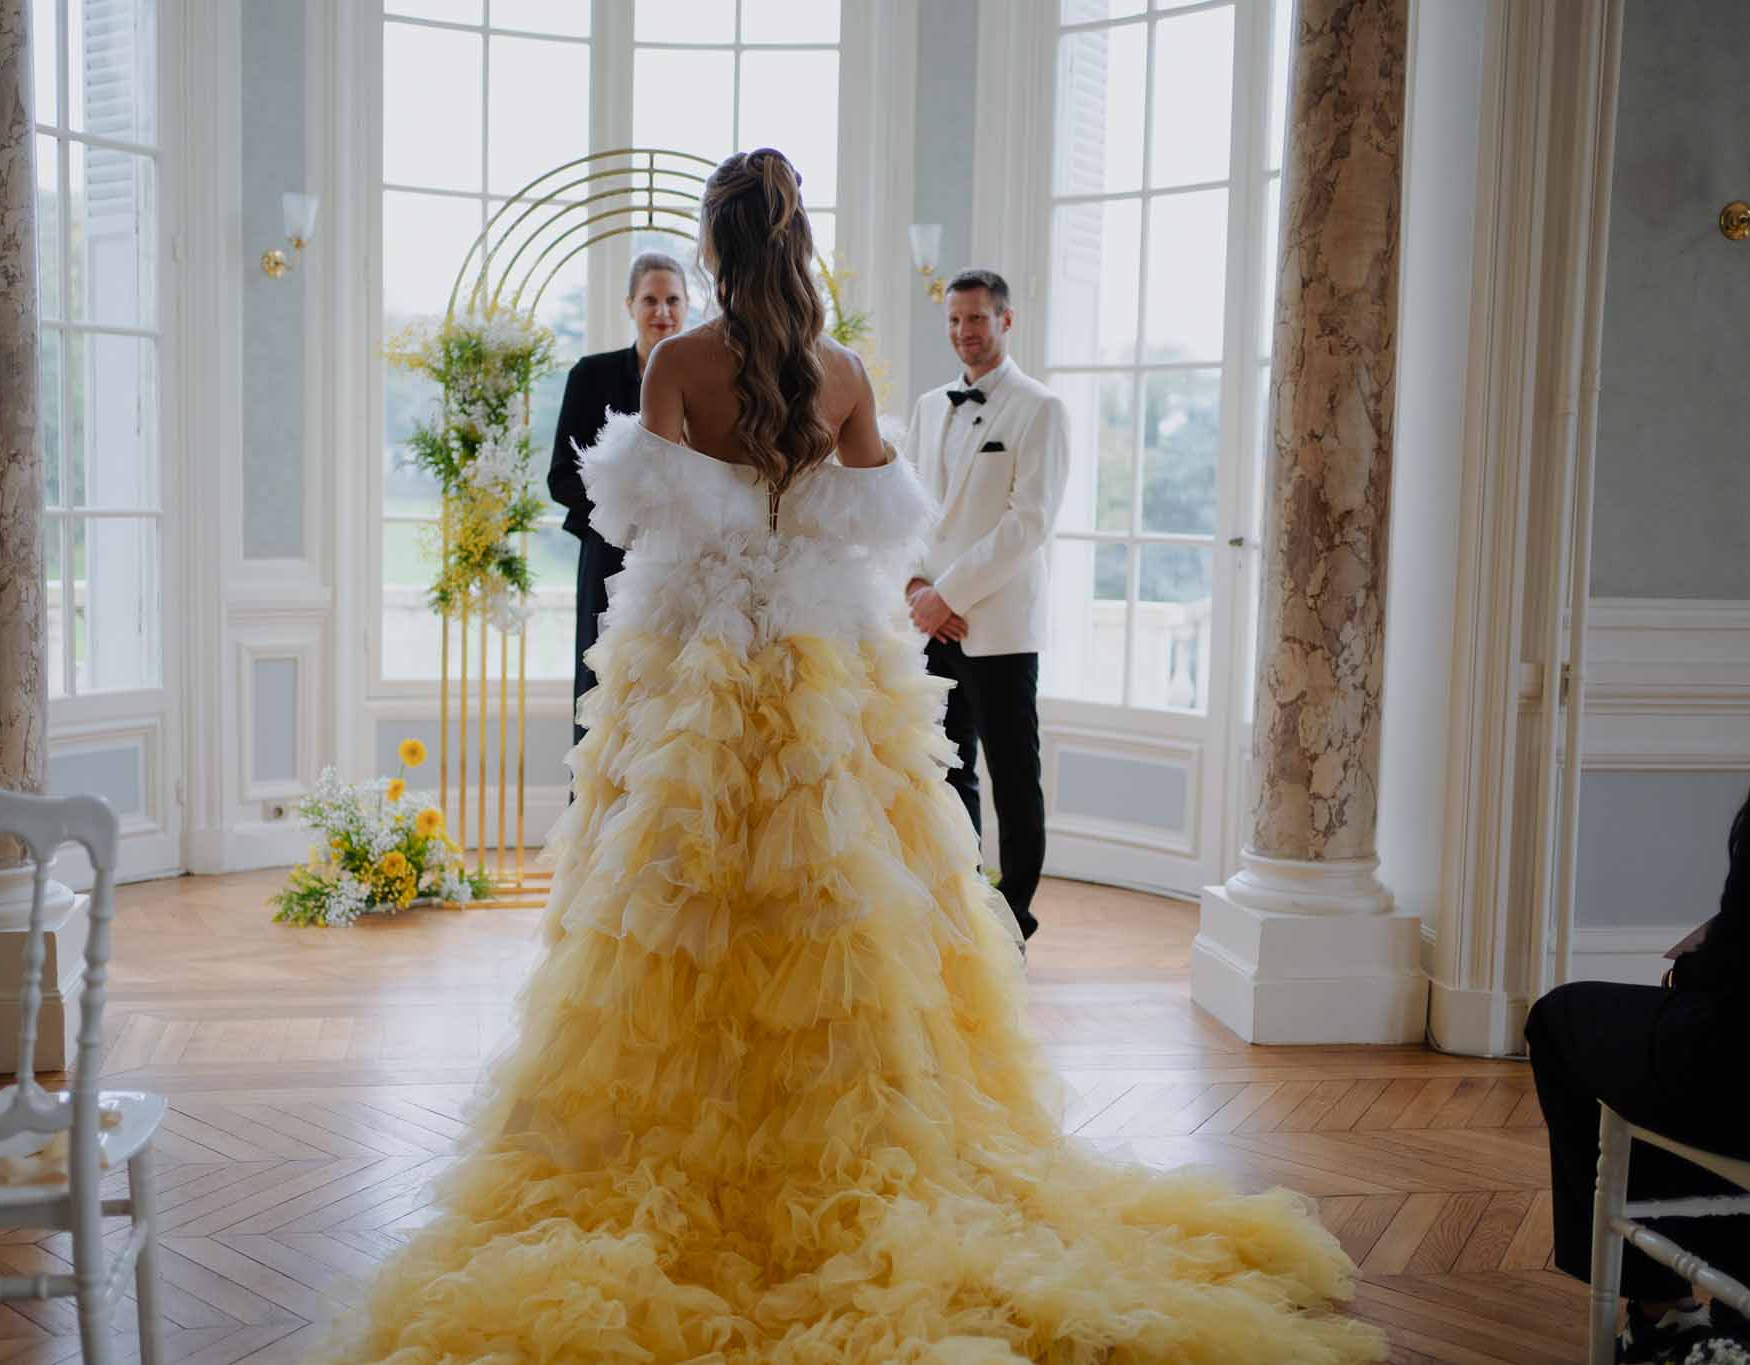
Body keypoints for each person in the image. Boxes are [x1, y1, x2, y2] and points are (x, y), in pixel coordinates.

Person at [329, 149, 1381, 1363]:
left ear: (716, 250)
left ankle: (681, 1137)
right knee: (844, 898)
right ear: (798, 242)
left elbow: (636, 522)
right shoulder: (841, 372)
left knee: (672, 902)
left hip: (697, 668)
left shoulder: (673, 363)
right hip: (824, 672)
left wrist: (728, 524)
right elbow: (881, 518)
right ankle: (865, 1131)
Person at [1527, 459, 1750, 1363]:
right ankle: (1748, 1306)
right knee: (1728, 1032)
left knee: (1568, 1023)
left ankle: (1668, 1309)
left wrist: (1698, 963)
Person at [899, 270, 1068, 942]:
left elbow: (1028, 523)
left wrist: (950, 594)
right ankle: (962, 903)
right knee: (947, 771)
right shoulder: (926, 406)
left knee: (1012, 778)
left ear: (1006, 320)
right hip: (929, 625)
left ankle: (1014, 918)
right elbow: (908, 507)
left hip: (998, 627)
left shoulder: (1040, 408)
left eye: (977, 319)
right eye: (954, 321)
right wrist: (915, 588)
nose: (964, 333)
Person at [547, 251, 690, 745]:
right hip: (607, 557)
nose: (662, 312)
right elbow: (560, 478)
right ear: (629, 305)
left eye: (673, 300)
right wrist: (625, 520)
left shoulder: (706, 383)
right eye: (650, 299)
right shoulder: (590, 376)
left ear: (689, 306)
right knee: (602, 691)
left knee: (672, 696)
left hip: (681, 564)